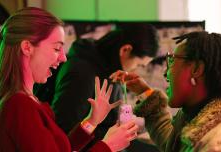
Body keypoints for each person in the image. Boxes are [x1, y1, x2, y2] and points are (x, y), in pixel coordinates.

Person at [0, 7, 139, 152]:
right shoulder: (20, 105)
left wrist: (92, 121)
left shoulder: (22, 100)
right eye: (57, 48)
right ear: (27, 47)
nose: (64, 58)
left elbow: (57, 148)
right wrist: (109, 146)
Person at [110, 31, 221, 152]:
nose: (166, 73)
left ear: (196, 69)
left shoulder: (220, 146)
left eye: (172, 61)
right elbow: (174, 145)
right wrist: (145, 93)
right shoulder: (202, 112)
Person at [34, 23, 159, 151]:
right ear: (125, 50)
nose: (135, 70)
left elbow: (105, 122)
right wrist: (109, 140)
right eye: (138, 65)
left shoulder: (111, 70)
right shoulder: (82, 72)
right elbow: (64, 135)